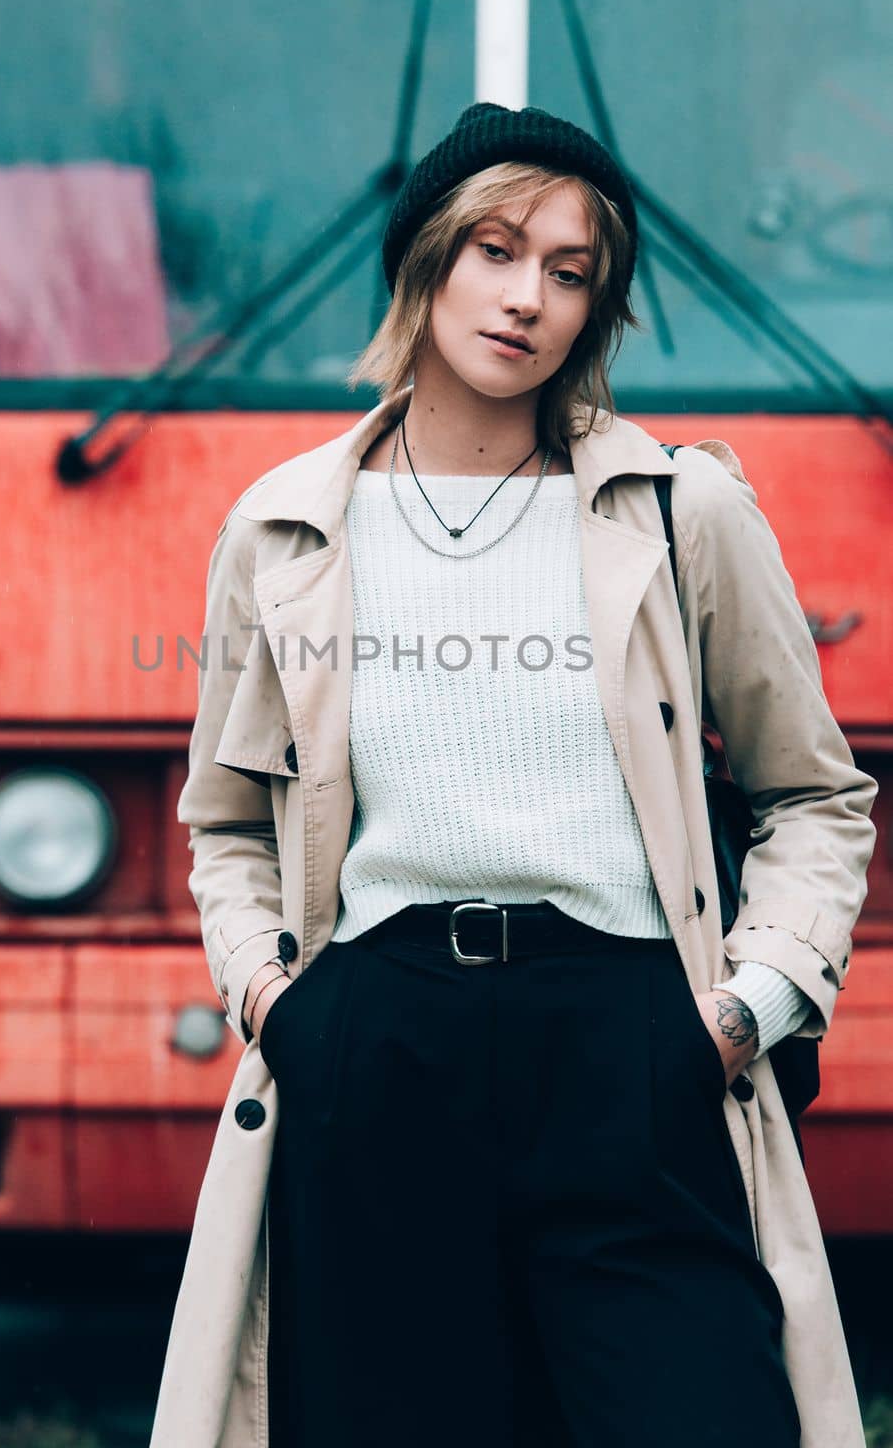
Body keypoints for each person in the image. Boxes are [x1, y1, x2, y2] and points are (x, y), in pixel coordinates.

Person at [148, 105, 877, 1448]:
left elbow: (812, 795)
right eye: (496, 249)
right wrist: (276, 1000)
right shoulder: (285, 526)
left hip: (633, 1043)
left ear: (597, 307)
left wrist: (746, 1007)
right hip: (376, 1045)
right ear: (427, 259)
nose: (527, 296)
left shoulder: (679, 509)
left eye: (570, 269)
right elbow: (225, 820)